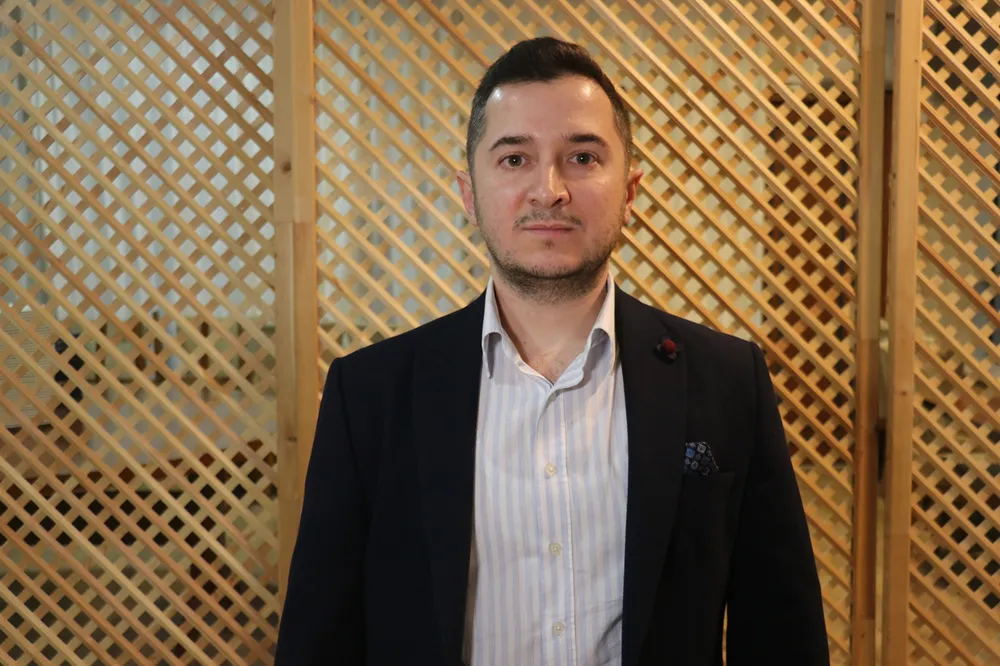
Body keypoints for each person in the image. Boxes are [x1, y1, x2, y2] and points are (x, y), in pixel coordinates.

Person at [275, 37, 829, 666]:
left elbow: (781, 630)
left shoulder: (727, 381)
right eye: (514, 159)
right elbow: (320, 638)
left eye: (583, 157)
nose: (549, 189)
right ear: (468, 194)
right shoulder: (370, 394)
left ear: (630, 191)